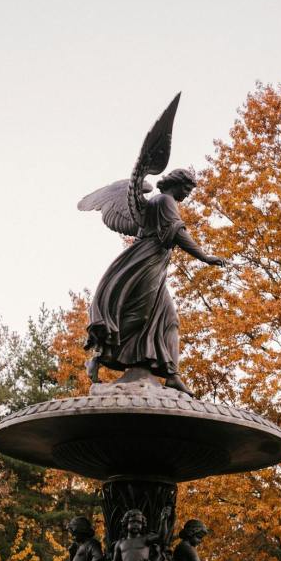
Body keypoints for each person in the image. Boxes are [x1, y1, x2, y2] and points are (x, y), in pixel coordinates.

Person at [85, 168, 225, 396]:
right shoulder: (164, 200)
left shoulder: (156, 201)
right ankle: (99, 357)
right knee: (141, 315)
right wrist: (204, 257)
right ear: (176, 184)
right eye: (187, 188)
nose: (188, 193)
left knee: (169, 319)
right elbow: (179, 233)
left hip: (155, 266)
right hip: (146, 262)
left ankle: (172, 376)